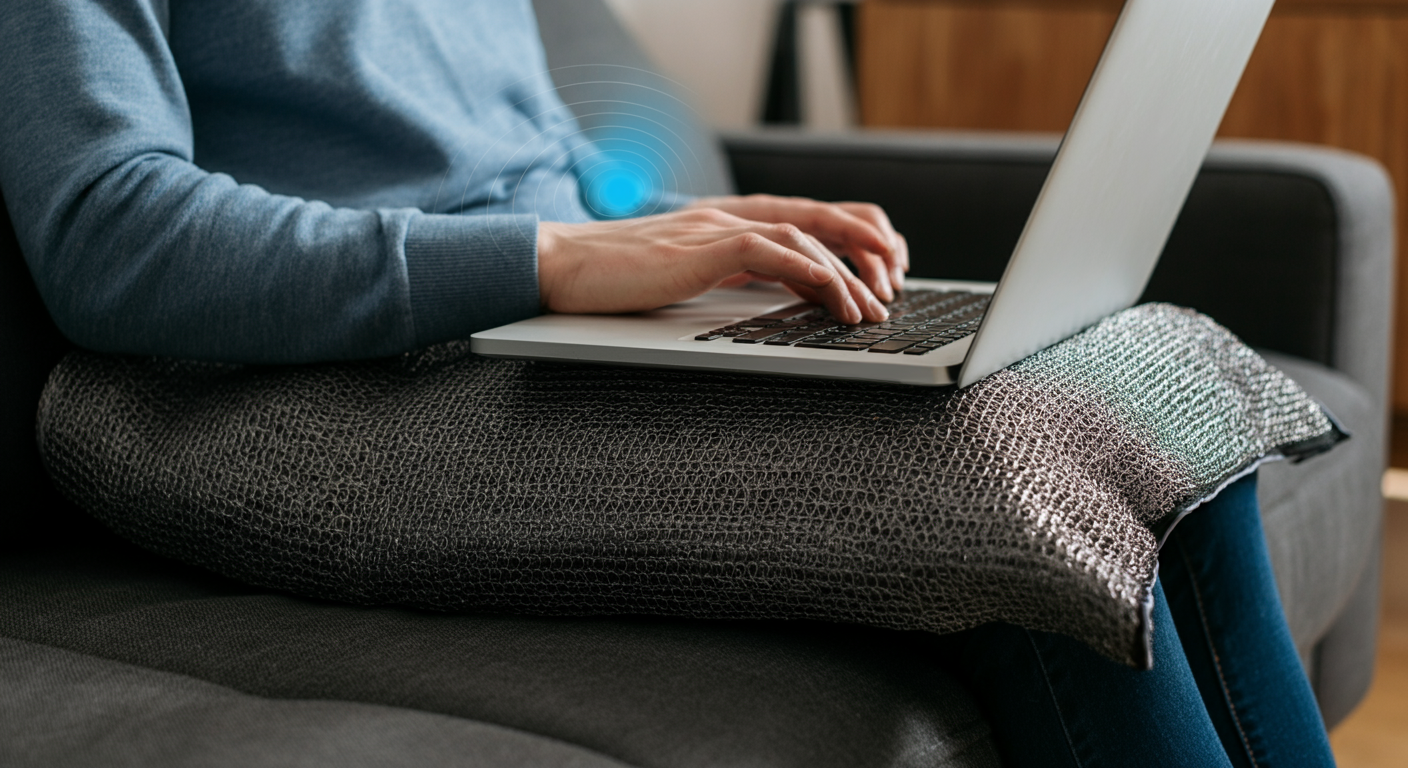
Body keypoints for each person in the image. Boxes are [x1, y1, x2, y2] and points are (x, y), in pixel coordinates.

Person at [0, 2, 1335, 766]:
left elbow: (526, 142)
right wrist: (558, 262)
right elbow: (106, 234)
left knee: (1144, 389)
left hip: (515, 318)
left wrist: (710, 235)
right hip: (256, 394)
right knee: (1000, 484)